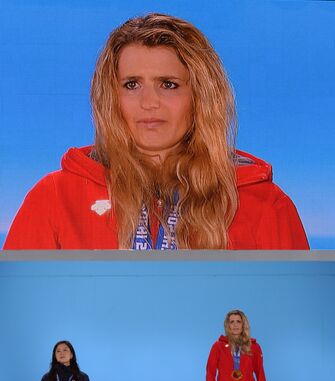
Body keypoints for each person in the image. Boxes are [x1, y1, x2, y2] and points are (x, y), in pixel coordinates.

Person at [4, 13, 309, 251]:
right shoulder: (54, 198)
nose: (149, 103)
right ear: (111, 96)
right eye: (132, 84)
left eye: (168, 84)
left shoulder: (265, 204)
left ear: (200, 97)